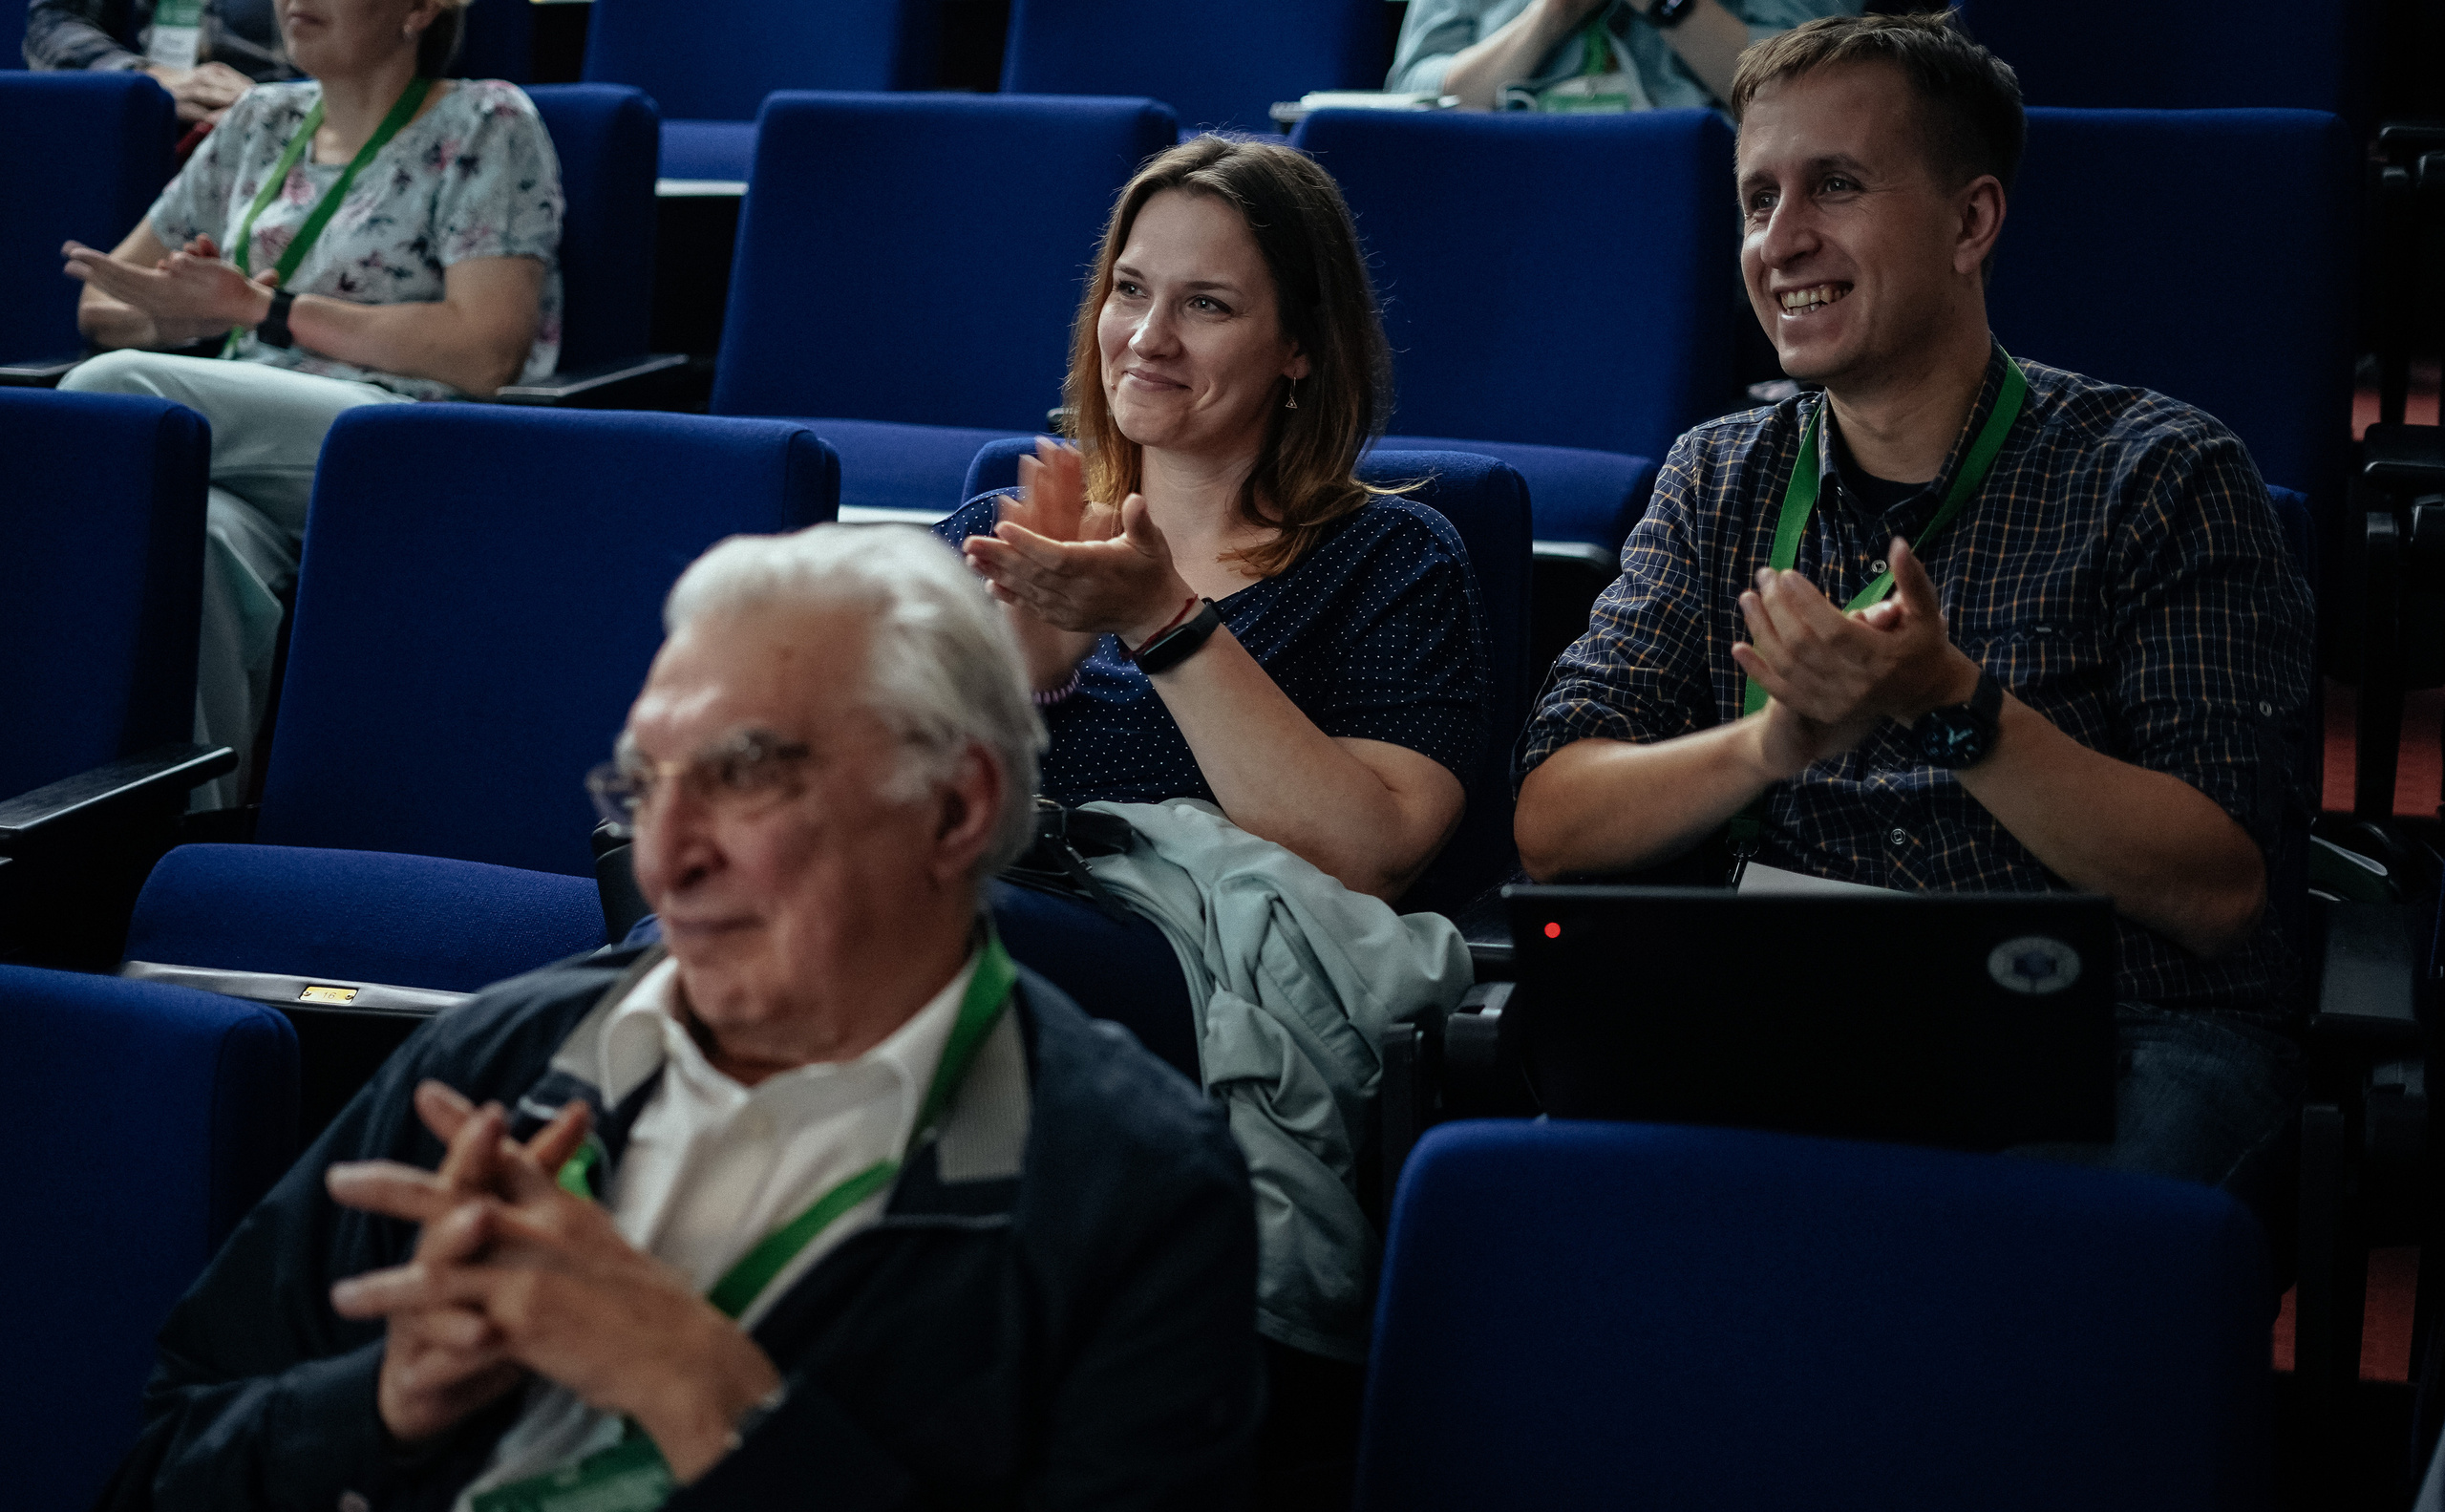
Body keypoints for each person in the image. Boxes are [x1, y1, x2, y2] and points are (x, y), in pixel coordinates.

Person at [88, 523, 1262, 1512]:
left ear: (954, 810)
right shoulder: (497, 1061)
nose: (667, 856)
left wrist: (707, 1399)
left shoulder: (1130, 1190)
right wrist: (382, 1402)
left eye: (745, 776)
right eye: (645, 783)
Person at [1511, 12, 2315, 1201]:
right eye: (1756, 199)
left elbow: (2219, 893)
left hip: (2116, 1022)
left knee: (2040, 1263)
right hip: (1801, 995)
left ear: (1970, 221)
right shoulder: (1716, 473)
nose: (1781, 241)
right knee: (1567, 1222)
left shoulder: (2162, 472)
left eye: (1832, 186)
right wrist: (1771, 744)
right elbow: (1552, 822)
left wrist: (1955, 706)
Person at [939, 136, 1490, 905]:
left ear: (1298, 347)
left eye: (1206, 304)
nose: (1147, 338)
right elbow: (856, 808)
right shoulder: (996, 538)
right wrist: (1016, 685)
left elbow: (1376, 858)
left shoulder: (1392, 561)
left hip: (1212, 977)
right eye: (1130, 290)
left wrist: (1160, 620)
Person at [54, 0, 561, 806]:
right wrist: (178, 312)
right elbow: (105, 303)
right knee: (205, 541)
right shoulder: (261, 116)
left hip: (407, 444)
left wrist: (265, 311)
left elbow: (483, 350)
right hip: (248, 441)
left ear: (422, 9)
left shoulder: (486, 119)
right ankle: (189, 846)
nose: (292, 1)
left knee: (105, 392)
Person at [1388, 0, 1858, 113]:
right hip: (1501, 190)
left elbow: (1815, 100)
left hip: (1693, 203)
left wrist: (1670, 5)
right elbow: (1412, 95)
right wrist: (1551, 15)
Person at [26, 0, 292, 125]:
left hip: (292, 122)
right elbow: (52, 24)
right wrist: (143, 79)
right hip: (158, 124)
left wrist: (277, 101)